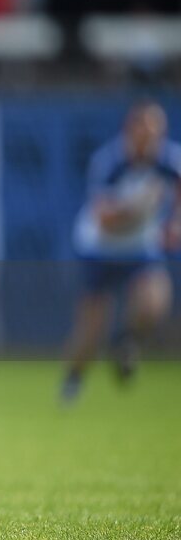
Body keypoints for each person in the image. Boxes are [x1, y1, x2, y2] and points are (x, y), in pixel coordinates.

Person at [62, 100, 181, 403]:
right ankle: (73, 380)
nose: (150, 139)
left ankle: (125, 342)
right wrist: (138, 210)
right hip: (100, 248)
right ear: (131, 129)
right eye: (144, 131)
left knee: (154, 301)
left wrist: (174, 225)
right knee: (92, 327)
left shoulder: (169, 161)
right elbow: (106, 221)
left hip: (141, 247)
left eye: (156, 132)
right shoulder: (110, 162)